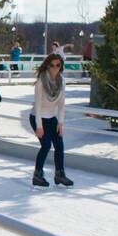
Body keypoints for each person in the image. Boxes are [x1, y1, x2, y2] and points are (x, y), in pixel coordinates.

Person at [30, 53, 73, 187]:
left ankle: (59, 175)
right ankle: (37, 175)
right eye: (52, 65)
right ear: (47, 66)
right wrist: (39, 126)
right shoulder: (41, 82)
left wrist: (60, 122)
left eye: (58, 65)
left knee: (59, 145)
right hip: (37, 117)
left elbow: (61, 105)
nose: (55, 68)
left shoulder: (62, 81)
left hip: (51, 118)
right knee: (46, 145)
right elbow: (37, 106)